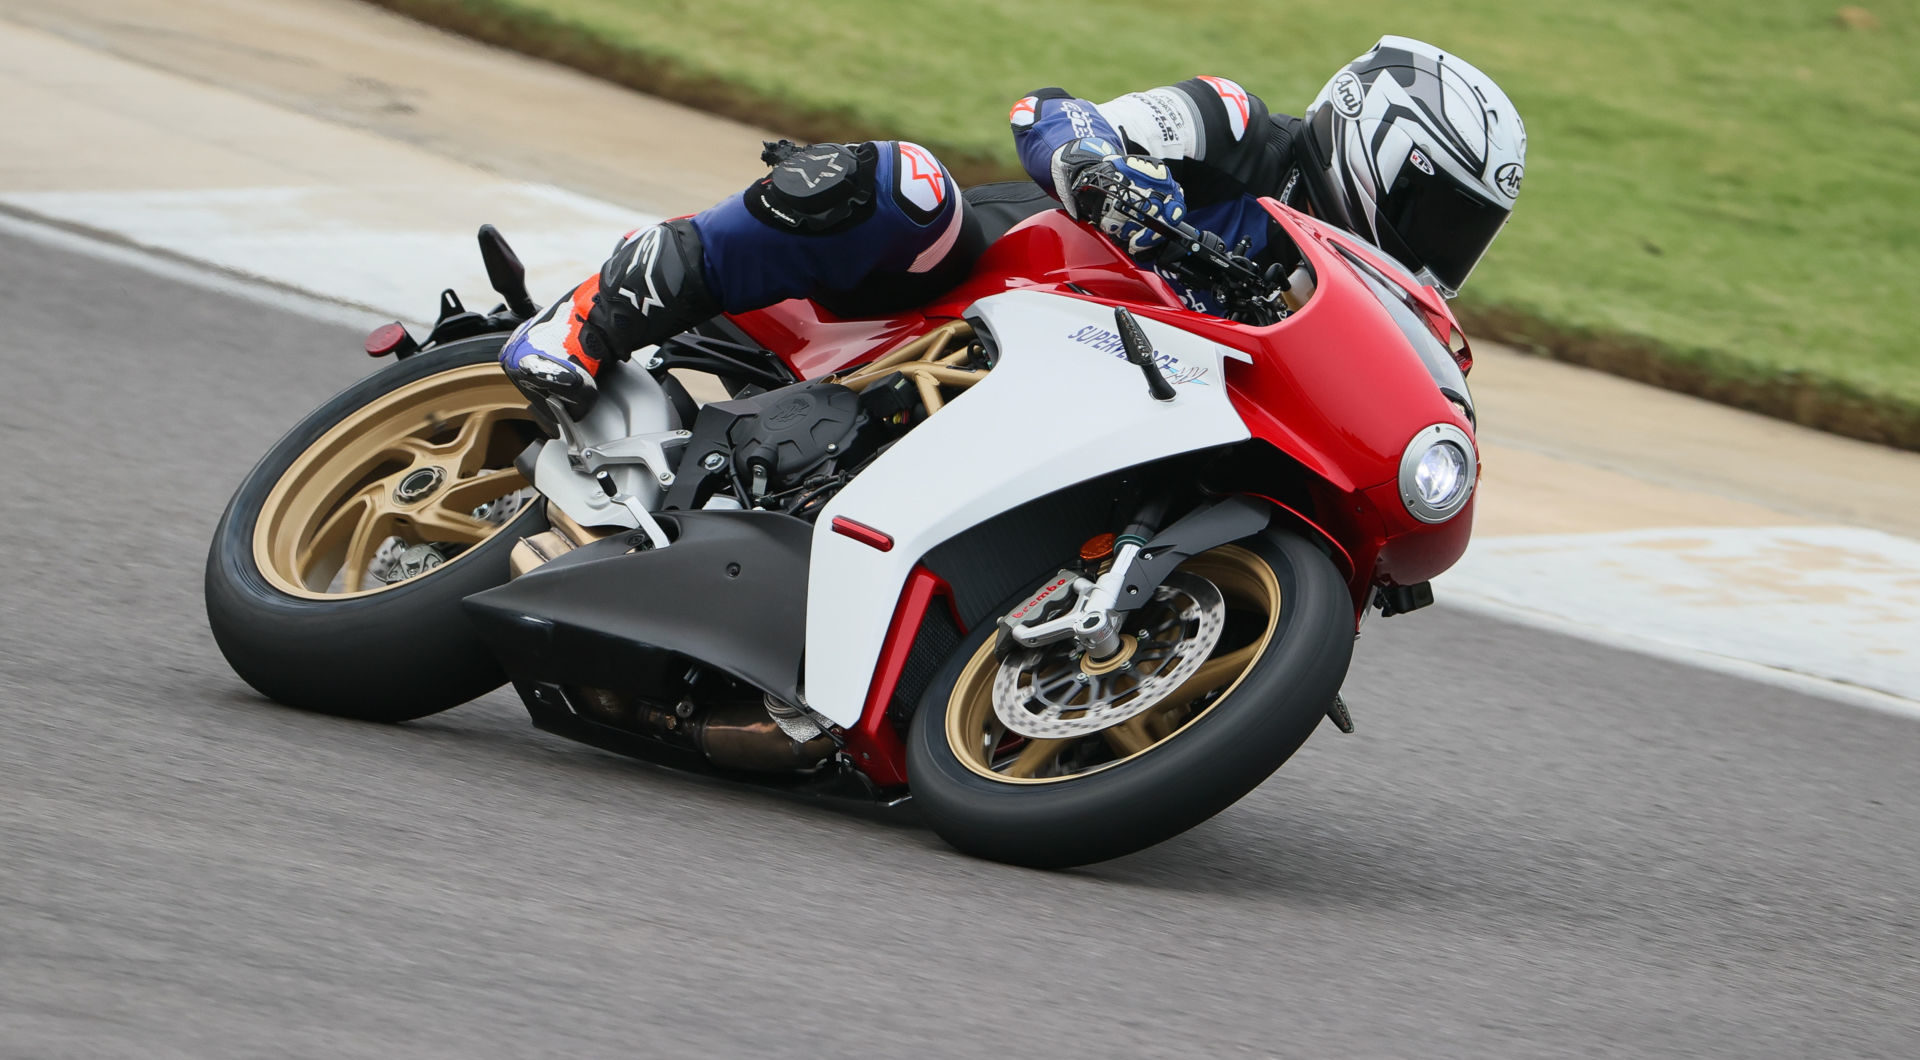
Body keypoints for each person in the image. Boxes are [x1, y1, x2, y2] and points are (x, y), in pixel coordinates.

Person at [502, 35, 1526, 418]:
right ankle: (592, 312)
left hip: (1108, 397)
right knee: (909, 188)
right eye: (1437, 212)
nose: (1439, 254)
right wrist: (1105, 176)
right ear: (1378, 145)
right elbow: (1056, 113)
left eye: (1465, 234)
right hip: (966, 290)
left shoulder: (1354, 299)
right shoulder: (1245, 127)